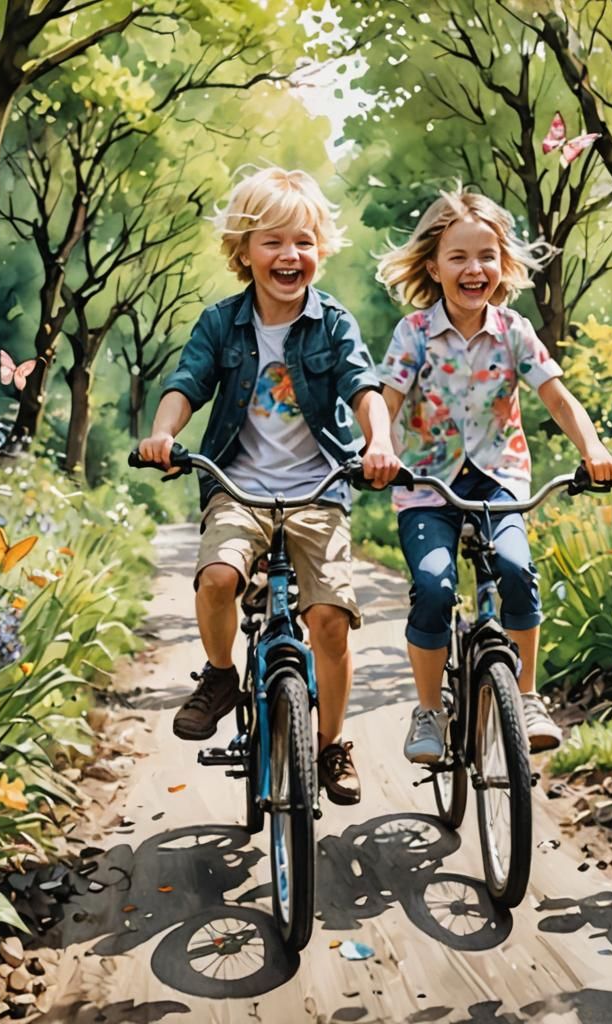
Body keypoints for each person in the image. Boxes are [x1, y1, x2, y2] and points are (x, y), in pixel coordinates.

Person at [139, 167, 400, 804]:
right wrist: (163, 434)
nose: (290, 256)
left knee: (329, 619)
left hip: (318, 489)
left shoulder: (333, 324)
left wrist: (380, 442)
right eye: (273, 242)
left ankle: (333, 743)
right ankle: (222, 676)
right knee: (218, 578)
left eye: (304, 242)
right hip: (239, 486)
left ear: (320, 252)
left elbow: (365, 389)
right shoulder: (222, 323)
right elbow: (188, 383)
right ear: (243, 250)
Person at [374, 186, 612, 764]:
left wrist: (593, 448)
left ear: (503, 264)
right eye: (458, 257)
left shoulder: (514, 330)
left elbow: (558, 399)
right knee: (435, 588)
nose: (473, 268)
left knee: (515, 569)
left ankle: (529, 696)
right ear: (434, 266)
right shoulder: (413, 332)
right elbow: (385, 402)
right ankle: (430, 712)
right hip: (427, 485)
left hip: (498, 478)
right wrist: (379, 448)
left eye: (486, 255)